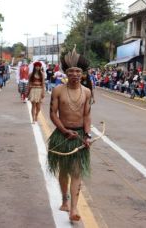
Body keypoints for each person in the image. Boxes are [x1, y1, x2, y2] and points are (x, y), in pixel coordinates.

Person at [48, 47, 91, 222]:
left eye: (78, 71)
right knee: (64, 171)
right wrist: (65, 131)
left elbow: (87, 115)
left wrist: (87, 135)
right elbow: (52, 114)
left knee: (76, 172)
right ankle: (64, 199)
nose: (74, 74)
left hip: (79, 136)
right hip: (62, 135)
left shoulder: (87, 92)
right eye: (71, 71)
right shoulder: (58, 90)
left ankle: (74, 208)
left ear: (82, 74)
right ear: (66, 73)